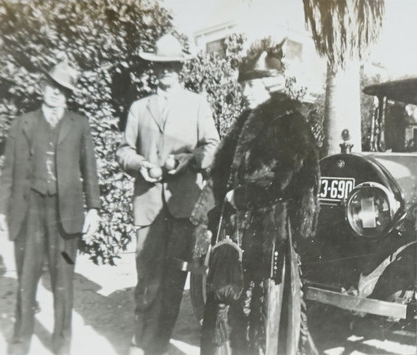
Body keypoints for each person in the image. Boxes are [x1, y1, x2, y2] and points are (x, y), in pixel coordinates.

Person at [191, 40, 320, 355]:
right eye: (243, 84)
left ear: (270, 84)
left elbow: (296, 179)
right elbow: (220, 176)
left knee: (264, 318)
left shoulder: (291, 121)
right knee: (227, 305)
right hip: (234, 235)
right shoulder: (243, 123)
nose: (245, 91)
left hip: (269, 236)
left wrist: (246, 196)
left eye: (251, 84)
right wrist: (204, 219)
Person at [116, 34, 220, 355]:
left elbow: (213, 146)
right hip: (148, 206)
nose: (166, 71)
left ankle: (156, 346)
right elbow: (122, 150)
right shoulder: (138, 108)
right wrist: (140, 164)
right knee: (147, 281)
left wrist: (189, 160)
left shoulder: (197, 104)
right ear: (154, 68)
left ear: (181, 67)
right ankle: (142, 344)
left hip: (183, 207)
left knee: (175, 285)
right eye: (161, 66)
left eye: (172, 65)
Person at [0, 53, 101, 355]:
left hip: (65, 215)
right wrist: (0, 208)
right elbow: (8, 170)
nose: (56, 92)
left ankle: (61, 346)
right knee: (26, 283)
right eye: (52, 85)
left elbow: (89, 169)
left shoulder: (80, 125)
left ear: (69, 95)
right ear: (43, 85)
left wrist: (94, 209)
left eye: (62, 89)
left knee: (63, 286)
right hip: (29, 213)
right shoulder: (21, 124)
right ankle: (19, 345)